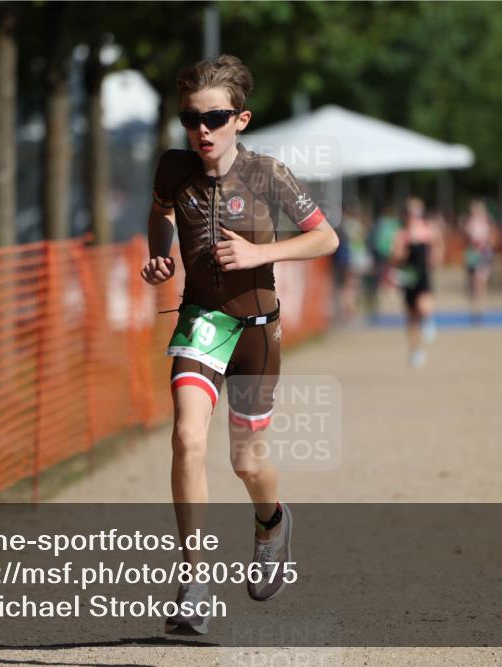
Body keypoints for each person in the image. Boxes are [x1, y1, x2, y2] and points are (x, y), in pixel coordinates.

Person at [142, 55, 339, 634]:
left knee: (246, 462)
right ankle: (194, 579)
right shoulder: (173, 169)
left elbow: (326, 238)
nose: (201, 130)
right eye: (190, 119)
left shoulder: (268, 175)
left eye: (215, 118)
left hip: (257, 331)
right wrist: (160, 255)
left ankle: (272, 522)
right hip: (203, 321)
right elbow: (159, 216)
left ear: (241, 119)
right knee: (185, 437)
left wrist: (259, 253)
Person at [389, 197, 441, 368]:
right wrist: (404, 248)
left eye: (417, 213)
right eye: (410, 213)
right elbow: (395, 257)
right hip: (408, 276)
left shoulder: (428, 231)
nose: (413, 217)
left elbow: (438, 246)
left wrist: (435, 258)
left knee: (424, 305)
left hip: (423, 274)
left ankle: (428, 321)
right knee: (411, 319)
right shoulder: (401, 234)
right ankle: (416, 350)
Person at [462, 198, 497, 321]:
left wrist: (486, 247)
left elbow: (492, 237)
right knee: (473, 283)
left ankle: (481, 309)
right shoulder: (469, 222)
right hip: (472, 254)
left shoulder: (488, 221)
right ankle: (475, 308)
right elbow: (467, 239)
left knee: (480, 281)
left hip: (483, 254)